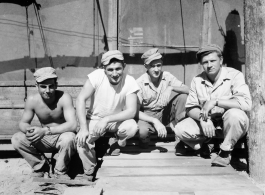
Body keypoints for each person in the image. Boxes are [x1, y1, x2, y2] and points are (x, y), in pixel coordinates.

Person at [172, 44, 252, 166]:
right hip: (209, 124)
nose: (209, 65)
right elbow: (190, 107)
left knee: (236, 115)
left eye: (213, 61)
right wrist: (203, 119)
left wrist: (215, 101)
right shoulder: (197, 80)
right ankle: (210, 143)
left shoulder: (235, 75)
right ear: (201, 64)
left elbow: (246, 104)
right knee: (180, 129)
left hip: (229, 125)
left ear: (221, 60)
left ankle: (225, 151)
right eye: (205, 62)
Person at [75, 50, 139, 181]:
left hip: (115, 120)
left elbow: (132, 111)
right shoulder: (96, 76)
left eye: (118, 69)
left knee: (132, 127)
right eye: (110, 70)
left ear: (124, 66)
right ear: (104, 69)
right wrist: (83, 128)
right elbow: (80, 99)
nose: (115, 74)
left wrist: (107, 119)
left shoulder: (130, 80)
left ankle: (118, 140)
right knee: (82, 141)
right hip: (95, 119)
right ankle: (89, 170)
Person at [12, 67, 78, 179]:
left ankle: (60, 171)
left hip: (61, 137)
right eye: (43, 86)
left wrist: (45, 130)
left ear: (56, 85)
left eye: (51, 86)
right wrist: (30, 130)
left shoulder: (64, 98)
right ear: (36, 86)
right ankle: (41, 167)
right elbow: (23, 123)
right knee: (17, 138)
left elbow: (72, 125)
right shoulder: (32, 100)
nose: (47, 90)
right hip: (43, 139)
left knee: (69, 137)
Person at [136, 48, 189, 149]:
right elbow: (135, 111)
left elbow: (187, 90)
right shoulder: (139, 83)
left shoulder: (167, 76)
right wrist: (154, 121)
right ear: (146, 66)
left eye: (159, 65)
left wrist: (171, 87)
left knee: (183, 97)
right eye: (152, 66)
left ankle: (181, 137)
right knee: (142, 132)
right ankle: (145, 140)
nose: (156, 69)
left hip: (164, 113)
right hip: (147, 116)